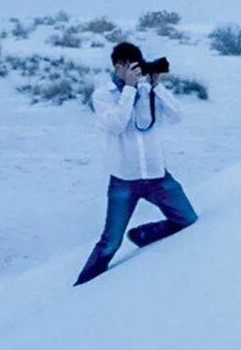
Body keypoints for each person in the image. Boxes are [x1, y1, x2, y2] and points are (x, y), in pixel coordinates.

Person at [73, 42, 198, 286]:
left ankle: (143, 234)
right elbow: (117, 124)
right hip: (124, 179)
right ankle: (81, 287)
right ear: (118, 66)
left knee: (188, 219)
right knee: (110, 241)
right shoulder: (103, 95)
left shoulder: (146, 91)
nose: (134, 71)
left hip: (156, 175)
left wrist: (155, 87)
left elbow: (177, 116)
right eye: (129, 66)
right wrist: (129, 90)